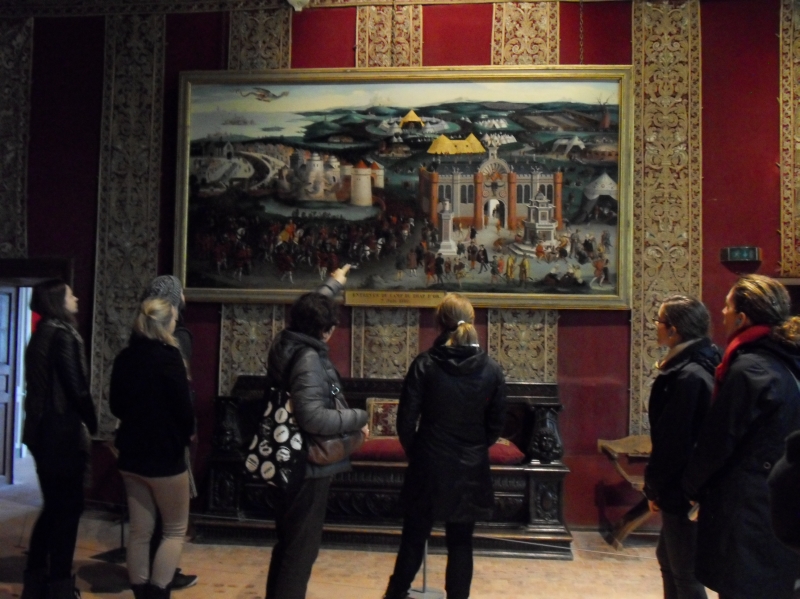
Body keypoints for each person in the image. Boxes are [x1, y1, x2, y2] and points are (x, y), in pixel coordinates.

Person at [682, 275, 800, 599]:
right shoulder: (789, 359)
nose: (721, 313)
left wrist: (690, 487)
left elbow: (718, 441)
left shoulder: (750, 369)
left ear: (742, 318)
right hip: (785, 501)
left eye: (727, 306)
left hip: (751, 508)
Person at [383, 293, 506, 599]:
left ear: (439, 324)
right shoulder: (491, 369)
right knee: (461, 541)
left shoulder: (425, 364)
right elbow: (496, 424)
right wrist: (475, 446)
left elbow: (405, 421)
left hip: (429, 462)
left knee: (413, 537)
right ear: (472, 321)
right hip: (469, 466)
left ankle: (396, 594)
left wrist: (418, 453)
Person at [265, 265, 369, 599]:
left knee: (289, 543)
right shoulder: (308, 358)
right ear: (324, 330)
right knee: (300, 551)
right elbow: (313, 418)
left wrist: (333, 283)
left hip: (288, 458)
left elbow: (311, 309)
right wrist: (358, 417)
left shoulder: (286, 340)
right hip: (307, 465)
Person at [110, 298, 194, 599]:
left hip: (131, 454)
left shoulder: (125, 357)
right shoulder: (170, 357)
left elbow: (115, 406)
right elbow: (184, 410)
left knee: (139, 532)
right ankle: (158, 594)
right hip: (165, 455)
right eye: (174, 319)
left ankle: (140, 592)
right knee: (174, 530)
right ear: (165, 323)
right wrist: (186, 435)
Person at [21, 280, 97, 599]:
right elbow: (75, 387)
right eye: (69, 294)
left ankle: (35, 581)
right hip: (61, 433)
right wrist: (93, 421)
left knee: (53, 508)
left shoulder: (40, 334)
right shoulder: (63, 335)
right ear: (57, 301)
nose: (75, 297)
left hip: (40, 431)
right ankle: (60, 586)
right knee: (68, 510)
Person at [644, 296, 719, 599]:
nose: (656, 327)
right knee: (668, 558)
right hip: (685, 485)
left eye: (659, 321)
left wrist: (655, 488)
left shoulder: (688, 376)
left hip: (683, 487)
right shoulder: (699, 364)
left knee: (685, 573)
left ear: (673, 329)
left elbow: (673, 443)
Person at [141, 275, 198, 591]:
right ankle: (163, 575)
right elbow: (182, 389)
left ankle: (146, 577)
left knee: (144, 522)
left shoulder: (137, 338)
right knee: (171, 520)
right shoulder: (179, 337)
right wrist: (188, 428)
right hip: (170, 434)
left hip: (141, 435)